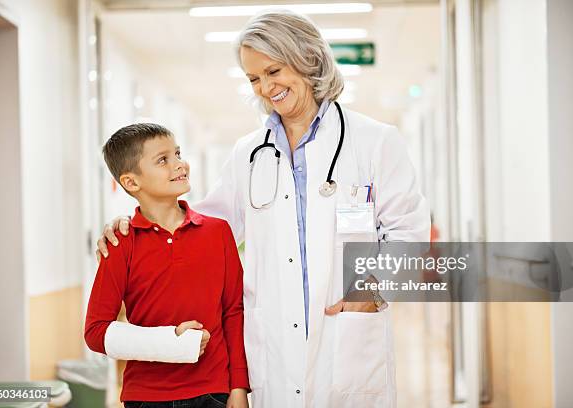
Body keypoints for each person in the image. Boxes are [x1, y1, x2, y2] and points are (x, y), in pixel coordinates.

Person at [97, 11, 430, 408]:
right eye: (254, 79)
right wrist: (136, 221)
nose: (265, 88)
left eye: (273, 71)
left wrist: (371, 291)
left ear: (307, 58)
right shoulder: (248, 154)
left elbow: (410, 234)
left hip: (348, 338)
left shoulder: (373, 141)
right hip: (274, 348)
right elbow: (203, 225)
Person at [85, 123, 249, 408]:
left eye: (177, 154)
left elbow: (233, 311)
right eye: (163, 160)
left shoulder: (218, 232)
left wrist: (239, 386)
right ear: (131, 182)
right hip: (146, 396)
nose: (179, 164)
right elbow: (96, 332)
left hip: (213, 391)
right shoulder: (121, 242)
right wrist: (171, 342)